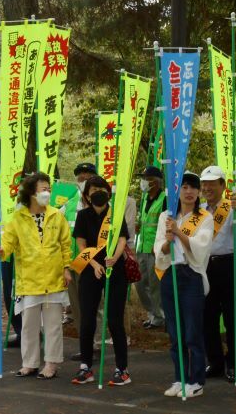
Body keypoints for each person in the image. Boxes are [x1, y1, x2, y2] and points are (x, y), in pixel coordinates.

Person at [0, 172, 72, 379]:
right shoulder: (17, 219)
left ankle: (51, 364)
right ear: (31, 192)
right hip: (28, 279)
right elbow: (8, 244)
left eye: (48, 188)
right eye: (43, 189)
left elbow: (66, 245)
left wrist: (66, 268)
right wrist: (1, 251)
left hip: (53, 278)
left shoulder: (57, 215)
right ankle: (29, 363)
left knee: (53, 325)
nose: (47, 192)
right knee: (28, 325)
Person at [154, 171, 214, 398]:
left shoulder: (204, 217)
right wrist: (168, 242)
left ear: (199, 192)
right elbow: (159, 249)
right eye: (184, 187)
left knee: (192, 331)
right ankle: (179, 378)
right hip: (170, 275)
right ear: (177, 191)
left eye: (192, 188)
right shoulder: (165, 217)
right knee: (175, 332)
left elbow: (201, 247)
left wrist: (178, 232)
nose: (188, 192)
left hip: (191, 276)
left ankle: (196, 380)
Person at [70, 175, 130, 386]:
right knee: (87, 320)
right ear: (87, 195)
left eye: (101, 189)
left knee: (114, 320)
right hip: (90, 270)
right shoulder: (83, 215)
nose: (98, 192)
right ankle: (86, 367)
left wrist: (114, 258)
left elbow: (122, 238)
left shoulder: (115, 214)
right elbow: (80, 242)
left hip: (116, 270)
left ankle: (122, 369)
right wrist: (95, 265)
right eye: (93, 189)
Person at [199, 165, 236, 383]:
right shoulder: (199, 211)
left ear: (222, 186)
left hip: (229, 264)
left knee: (232, 317)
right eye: (204, 184)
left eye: (212, 183)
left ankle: (233, 364)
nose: (207, 188)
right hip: (205, 266)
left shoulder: (232, 207)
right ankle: (215, 362)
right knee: (208, 317)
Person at [61, 162, 96, 336]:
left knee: (94, 304)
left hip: (92, 262)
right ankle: (85, 342)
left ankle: (99, 341)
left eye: (87, 174)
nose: (83, 177)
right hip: (72, 261)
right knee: (76, 305)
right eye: (80, 174)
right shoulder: (69, 203)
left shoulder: (100, 202)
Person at [135, 166, 166, 329]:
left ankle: (159, 317)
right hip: (142, 247)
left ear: (155, 182)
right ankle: (152, 313)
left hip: (156, 249)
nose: (144, 182)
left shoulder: (164, 199)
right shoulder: (144, 199)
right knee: (140, 284)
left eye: (147, 179)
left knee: (155, 286)